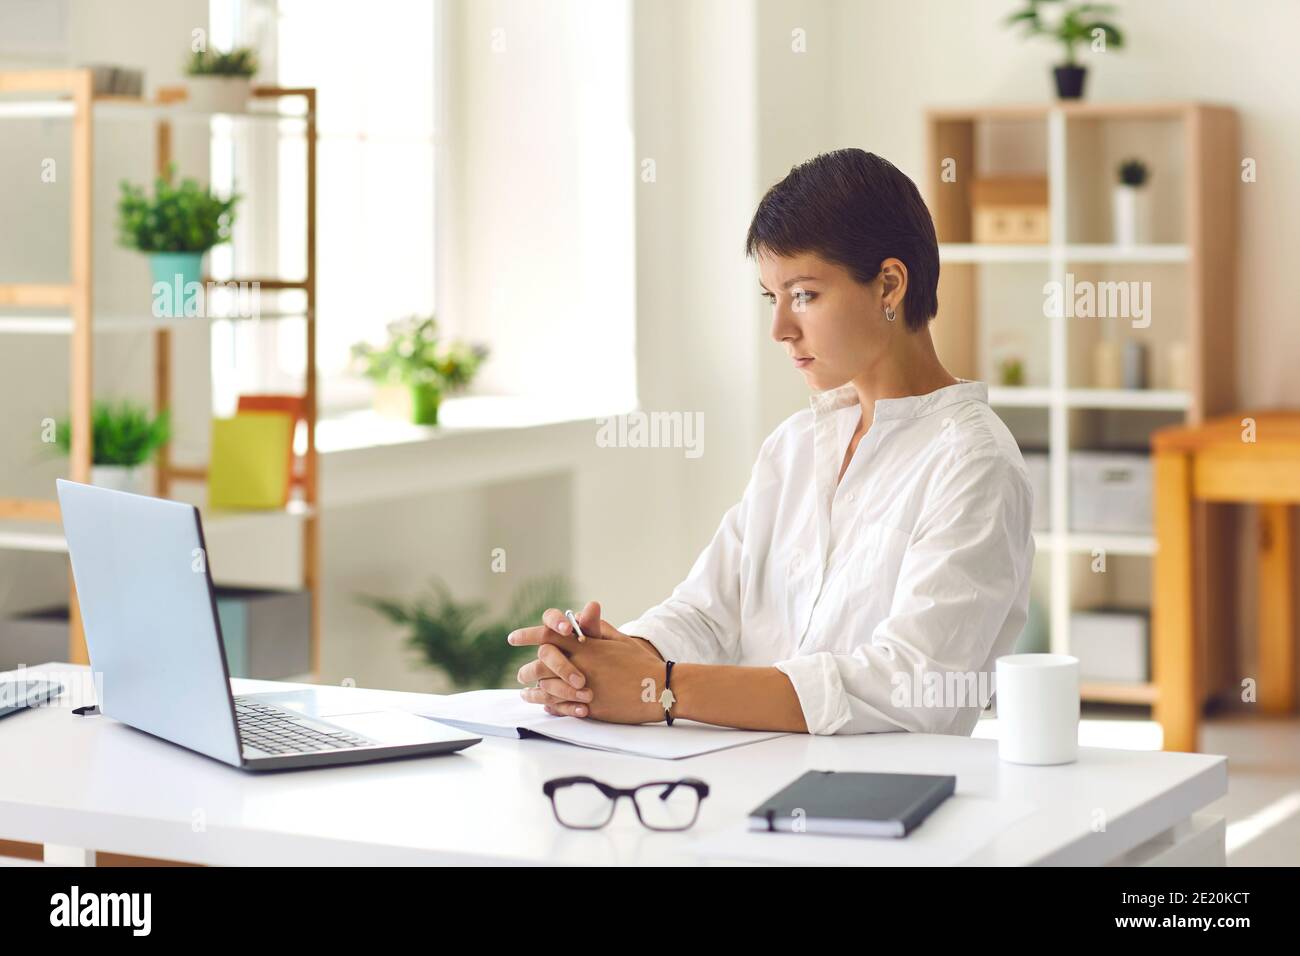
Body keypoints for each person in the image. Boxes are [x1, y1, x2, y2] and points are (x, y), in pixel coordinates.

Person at [508, 148, 1034, 735]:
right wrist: (612, 659)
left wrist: (663, 688)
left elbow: (909, 684)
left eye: (804, 294)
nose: (780, 329)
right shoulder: (795, 446)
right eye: (772, 298)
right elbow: (707, 613)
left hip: (882, 788)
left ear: (889, 285)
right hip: (741, 773)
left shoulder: (973, 462)